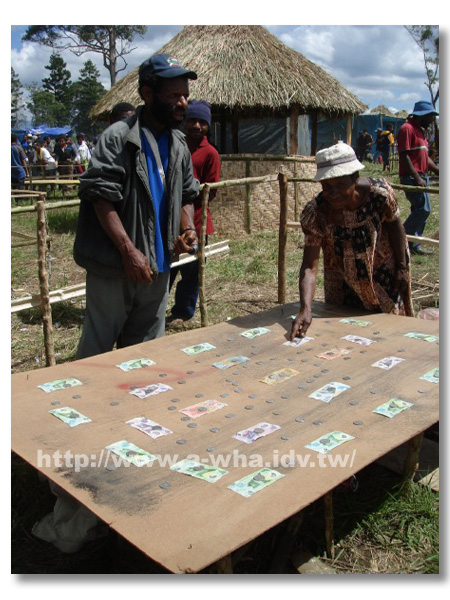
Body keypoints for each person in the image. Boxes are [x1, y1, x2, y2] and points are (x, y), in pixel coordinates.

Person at [73, 53, 200, 359]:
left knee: (145, 354)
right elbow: (101, 197)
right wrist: (128, 250)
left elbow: (186, 195)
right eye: (173, 95)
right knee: (98, 353)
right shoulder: (118, 138)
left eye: (185, 95)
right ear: (147, 94)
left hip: (157, 268)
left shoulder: (179, 143)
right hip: (116, 267)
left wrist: (188, 228)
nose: (182, 103)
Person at [290, 142, 413, 341]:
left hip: (384, 272)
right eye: (327, 186)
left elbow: (395, 226)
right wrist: (306, 309)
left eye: (340, 185)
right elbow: (309, 267)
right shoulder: (316, 213)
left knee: (390, 331)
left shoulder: (380, 196)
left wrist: (401, 267)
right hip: (342, 278)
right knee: (347, 333)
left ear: (355, 179)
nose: (333, 193)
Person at [167, 100, 221, 325]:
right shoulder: (172, 145)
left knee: (191, 272)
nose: (197, 126)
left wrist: (184, 197)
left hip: (196, 222)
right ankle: (153, 310)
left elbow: (212, 190)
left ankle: (183, 313)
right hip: (168, 222)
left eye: (202, 122)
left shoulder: (210, 153)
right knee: (166, 269)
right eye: (192, 120)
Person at [397, 100, 439, 256]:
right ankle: (401, 240)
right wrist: (416, 177)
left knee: (420, 210)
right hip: (412, 177)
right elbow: (404, 155)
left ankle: (414, 244)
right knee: (423, 209)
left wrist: (436, 170)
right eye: (430, 117)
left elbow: (424, 156)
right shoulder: (407, 129)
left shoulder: (420, 131)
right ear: (422, 116)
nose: (432, 121)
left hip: (422, 176)